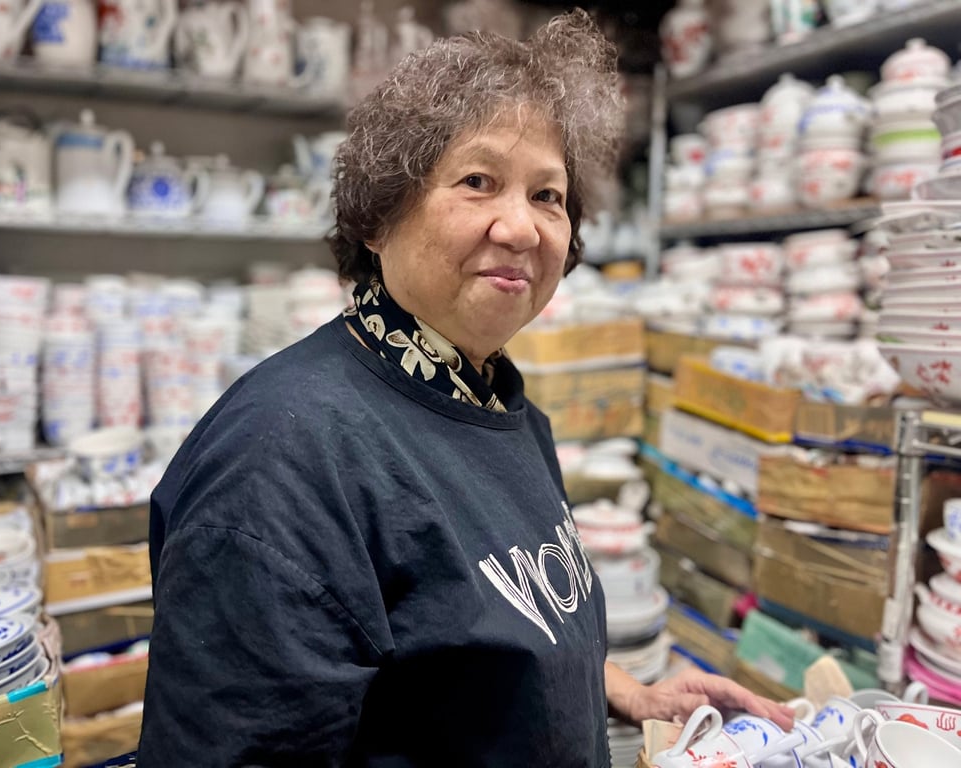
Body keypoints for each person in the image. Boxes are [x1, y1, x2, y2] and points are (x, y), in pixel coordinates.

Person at [137, 10, 794, 766]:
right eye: (479, 181)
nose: (521, 227)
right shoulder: (278, 466)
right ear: (379, 218)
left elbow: (467, 646)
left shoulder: (495, 401)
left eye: (548, 196)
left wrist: (623, 692)